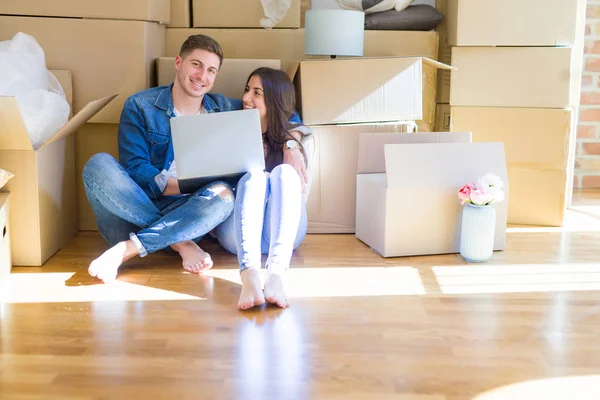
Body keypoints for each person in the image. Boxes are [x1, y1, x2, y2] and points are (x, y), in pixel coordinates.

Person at [83, 34, 307, 284]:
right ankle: (181, 244)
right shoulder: (140, 105)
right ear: (178, 62)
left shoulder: (222, 107)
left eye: (211, 70)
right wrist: (182, 184)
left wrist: (291, 142)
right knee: (98, 164)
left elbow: (281, 109)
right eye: (196, 64)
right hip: (132, 213)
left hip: (193, 213)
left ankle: (129, 249)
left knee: (224, 194)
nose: (202, 76)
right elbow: (135, 170)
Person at [215, 67, 314, 310]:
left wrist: (290, 143)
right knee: (255, 177)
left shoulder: (295, 140)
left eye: (257, 92)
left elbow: (300, 194)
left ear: (274, 99)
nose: (246, 98)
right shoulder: (230, 133)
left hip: (281, 234)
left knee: (283, 173)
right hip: (237, 235)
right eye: (247, 90)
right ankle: (249, 275)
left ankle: (276, 276)